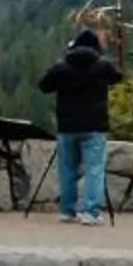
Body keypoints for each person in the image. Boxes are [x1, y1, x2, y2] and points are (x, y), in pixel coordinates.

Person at [37, 26, 120, 225]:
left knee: (67, 170)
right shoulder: (102, 66)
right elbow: (118, 76)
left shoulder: (62, 67)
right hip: (94, 126)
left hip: (67, 126)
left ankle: (67, 210)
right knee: (94, 169)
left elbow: (44, 86)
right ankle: (90, 211)